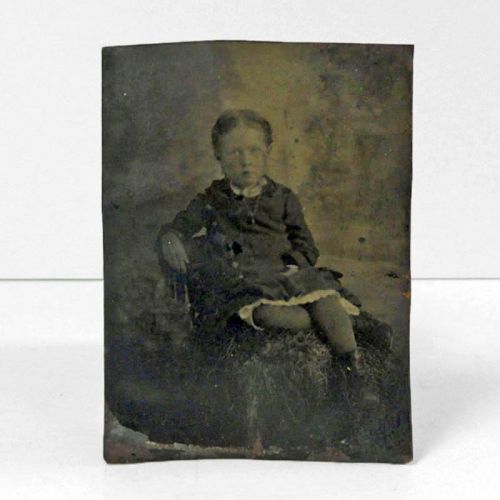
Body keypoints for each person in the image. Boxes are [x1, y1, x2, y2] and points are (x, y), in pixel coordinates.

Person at [156, 109, 378, 403]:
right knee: (266, 313)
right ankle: (330, 325)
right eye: (234, 153)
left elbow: (306, 245)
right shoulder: (211, 200)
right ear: (218, 156)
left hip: (287, 277)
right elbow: (179, 226)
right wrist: (170, 237)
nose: (245, 161)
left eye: (254, 151)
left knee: (324, 295)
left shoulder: (283, 198)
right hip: (247, 285)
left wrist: (293, 265)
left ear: (267, 153)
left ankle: (353, 371)